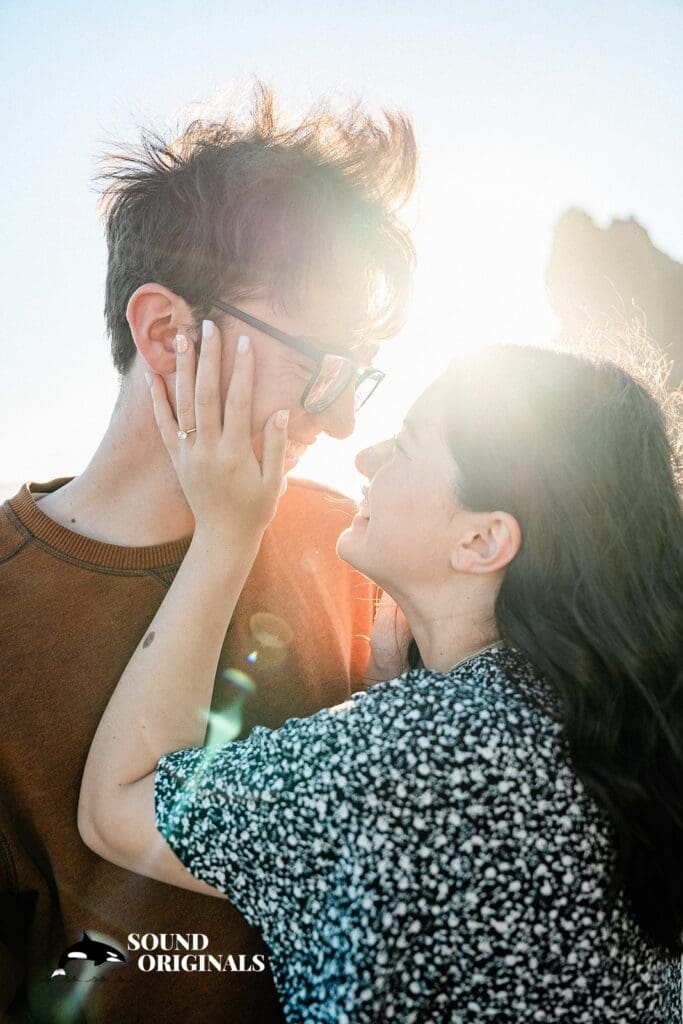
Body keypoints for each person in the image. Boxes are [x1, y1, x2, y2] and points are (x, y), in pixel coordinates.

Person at [78, 333, 683, 1022]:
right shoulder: (616, 724)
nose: (365, 456)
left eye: (405, 445)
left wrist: (226, 534)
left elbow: (118, 807)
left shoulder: (413, 755)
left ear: (482, 540)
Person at [0, 85, 416, 1023]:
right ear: (166, 333)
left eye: (358, 376)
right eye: (319, 364)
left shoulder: (352, 547)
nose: (343, 424)